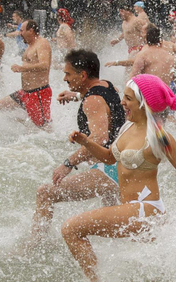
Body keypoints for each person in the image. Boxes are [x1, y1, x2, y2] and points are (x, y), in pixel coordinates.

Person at [63, 74, 176, 281]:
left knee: (71, 228)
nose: (122, 102)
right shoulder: (127, 127)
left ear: (144, 103)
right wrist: (85, 142)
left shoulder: (159, 136)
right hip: (133, 209)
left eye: (128, 98)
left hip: (146, 210)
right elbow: (108, 157)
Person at [26, 50, 126, 250]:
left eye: (68, 74)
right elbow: (101, 100)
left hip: (109, 169)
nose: (64, 78)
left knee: (45, 193)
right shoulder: (106, 85)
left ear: (82, 76)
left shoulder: (92, 100)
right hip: (122, 167)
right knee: (117, 219)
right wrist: (76, 95)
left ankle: (32, 248)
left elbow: (99, 137)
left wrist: (68, 163)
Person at [0, 19, 53, 127]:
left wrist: (22, 68)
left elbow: (44, 65)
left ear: (30, 31)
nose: (19, 33)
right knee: (1, 106)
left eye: (21, 31)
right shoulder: (30, 45)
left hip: (38, 93)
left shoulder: (42, 43)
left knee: (44, 128)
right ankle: (28, 124)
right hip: (25, 93)